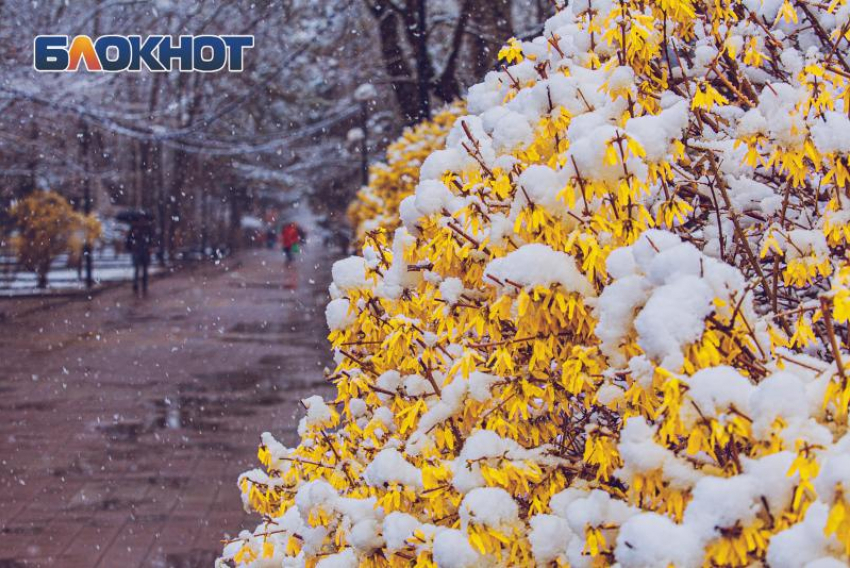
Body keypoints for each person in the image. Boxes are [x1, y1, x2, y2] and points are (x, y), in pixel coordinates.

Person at [126, 220, 153, 297]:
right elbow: (129, 240)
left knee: (143, 269)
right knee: (138, 269)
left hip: (143, 251)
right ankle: (137, 285)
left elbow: (151, 239)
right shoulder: (134, 229)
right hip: (138, 251)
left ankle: (142, 285)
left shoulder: (146, 229)